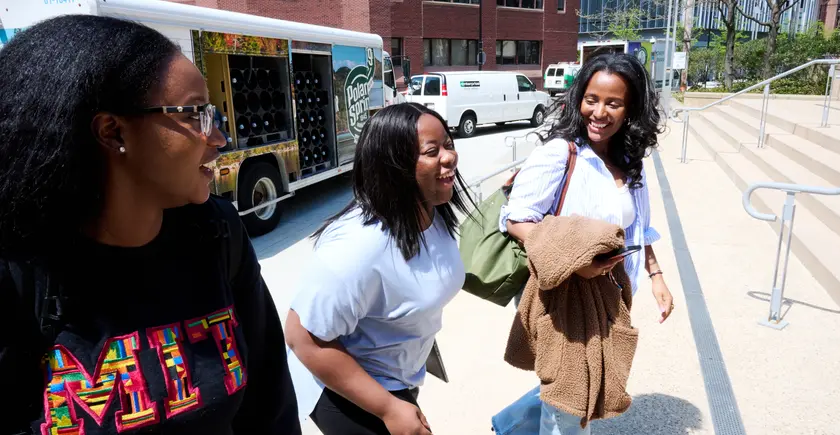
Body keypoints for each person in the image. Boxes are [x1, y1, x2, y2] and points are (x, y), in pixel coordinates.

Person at [0, 16, 301, 435]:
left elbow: (271, 405)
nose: (219, 138)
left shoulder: (218, 234)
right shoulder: (19, 270)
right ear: (111, 131)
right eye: (196, 114)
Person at [491, 52, 675, 435]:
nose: (600, 112)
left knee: (580, 386)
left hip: (609, 296)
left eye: (613, 103)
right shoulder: (560, 154)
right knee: (573, 401)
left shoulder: (629, 161)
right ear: (578, 99)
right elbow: (514, 220)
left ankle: (511, 425)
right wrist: (575, 261)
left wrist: (655, 275)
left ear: (631, 109)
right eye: (592, 99)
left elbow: (637, 228)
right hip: (566, 295)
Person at [284, 102, 473, 435]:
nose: (448, 156)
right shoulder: (358, 246)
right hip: (340, 386)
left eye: (448, 143)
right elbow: (303, 337)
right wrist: (388, 407)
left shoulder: (432, 208)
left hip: (399, 376)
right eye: (432, 150)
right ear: (394, 166)